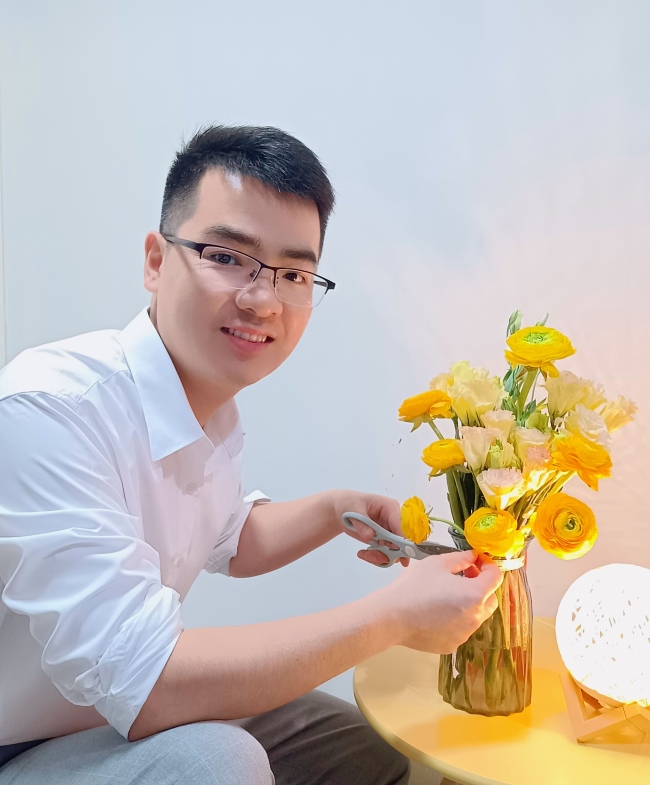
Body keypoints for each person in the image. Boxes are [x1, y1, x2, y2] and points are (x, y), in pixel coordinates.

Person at [0, 125, 503, 784]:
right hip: (24, 741)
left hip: (109, 716)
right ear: (155, 261)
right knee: (218, 762)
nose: (263, 299)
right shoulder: (49, 408)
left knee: (362, 748)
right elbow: (146, 680)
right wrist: (394, 616)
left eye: (293, 273)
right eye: (227, 256)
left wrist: (334, 510)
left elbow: (228, 537)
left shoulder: (206, 406)